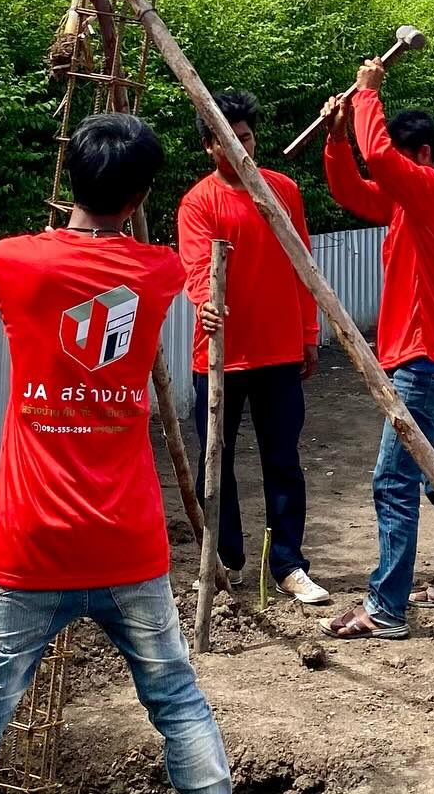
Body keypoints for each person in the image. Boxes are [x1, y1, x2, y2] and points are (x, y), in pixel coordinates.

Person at [0, 112, 231, 794]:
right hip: (126, 541)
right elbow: (142, 261)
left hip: (29, 545)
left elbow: (47, 253)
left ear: (71, 179)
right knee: (179, 703)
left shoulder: (13, 260)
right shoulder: (157, 272)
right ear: (139, 198)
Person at [318, 57, 434, 640]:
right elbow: (350, 188)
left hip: (424, 358)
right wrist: (338, 137)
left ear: (425, 157)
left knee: (394, 479)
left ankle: (385, 608)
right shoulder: (405, 206)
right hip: (433, 354)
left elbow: (381, 159)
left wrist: (365, 94)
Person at [177, 88, 329, 606]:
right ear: (209, 147)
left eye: (246, 137)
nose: (242, 148)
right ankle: (226, 561)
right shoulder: (199, 201)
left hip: (280, 351)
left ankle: (289, 564)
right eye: (229, 141)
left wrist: (309, 334)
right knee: (215, 459)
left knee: (283, 459)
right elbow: (198, 267)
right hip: (219, 356)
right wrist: (205, 302)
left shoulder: (283, 190)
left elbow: (302, 263)